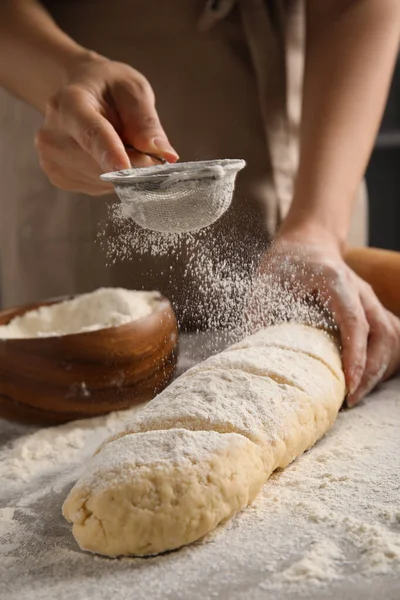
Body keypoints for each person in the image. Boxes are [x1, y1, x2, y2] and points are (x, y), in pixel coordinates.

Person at [0, 0, 399, 407]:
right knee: (83, 395)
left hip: (320, 147)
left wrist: (318, 227)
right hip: (82, 128)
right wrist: (65, 73)